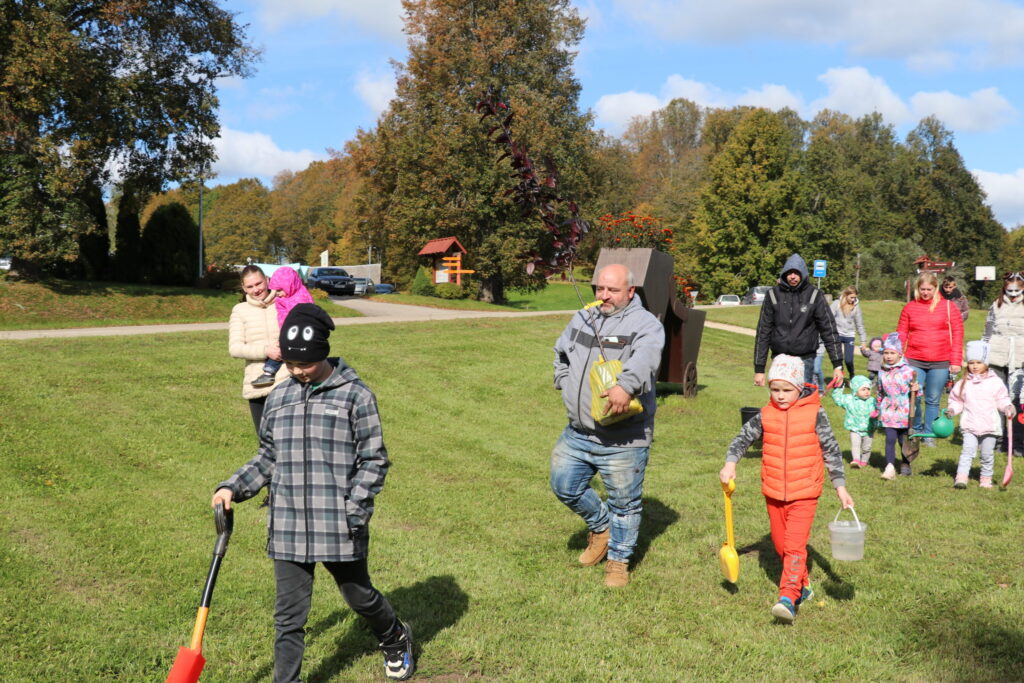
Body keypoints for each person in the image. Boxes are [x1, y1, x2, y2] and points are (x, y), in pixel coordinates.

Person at [212, 304, 415, 682]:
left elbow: (374, 460)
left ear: (323, 353)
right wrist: (232, 487)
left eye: (304, 363)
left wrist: (352, 513)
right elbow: (268, 455)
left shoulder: (355, 396)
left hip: (337, 522)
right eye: (289, 363)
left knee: (359, 597)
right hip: (288, 521)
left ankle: (394, 635)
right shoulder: (279, 396)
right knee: (289, 617)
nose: (297, 370)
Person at [549, 263, 665, 588]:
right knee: (563, 485)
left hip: (624, 439)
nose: (604, 295)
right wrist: (564, 379)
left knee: (625, 504)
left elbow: (647, 356)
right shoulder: (584, 316)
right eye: (600, 288)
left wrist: (626, 386)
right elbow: (560, 352)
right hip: (578, 432)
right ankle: (601, 527)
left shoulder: (645, 325)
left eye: (612, 290)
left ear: (630, 291)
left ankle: (618, 562)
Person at [720, 354, 854, 624]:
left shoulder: (816, 413)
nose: (780, 396)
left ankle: (787, 598)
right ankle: (803, 587)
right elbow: (742, 439)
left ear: (799, 386)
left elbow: (831, 451)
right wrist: (730, 463)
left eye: (786, 390)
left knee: (794, 547)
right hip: (773, 492)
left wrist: (839, 487)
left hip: (805, 492)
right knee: (782, 547)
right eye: (775, 389)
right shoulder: (766, 414)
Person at [753, 253, 844, 388]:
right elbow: (763, 332)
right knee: (781, 400)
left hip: (805, 359)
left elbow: (828, 330)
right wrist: (759, 369)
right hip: (780, 359)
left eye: (796, 272)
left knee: (801, 403)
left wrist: (837, 365)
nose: (793, 276)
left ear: (803, 274)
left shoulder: (814, 295)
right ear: (784, 274)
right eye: (789, 273)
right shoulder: (773, 295)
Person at [896, 272, 964, 444]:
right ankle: (916, 429)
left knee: (933, 399)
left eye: (929, 289)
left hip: (940, 361)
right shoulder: (910, 307)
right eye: (922, 289)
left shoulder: (949, 307)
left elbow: (957, 334)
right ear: (918, 289)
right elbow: (902, 332)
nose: (925, 292)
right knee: (915, 396)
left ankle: (929, 434)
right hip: (914, 359)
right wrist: (896, 353)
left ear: (935, 288)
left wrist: (956, 361)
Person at [229, 265, 290, 436]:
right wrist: (265, 351)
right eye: (250, 286)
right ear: (243, 288)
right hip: (257, 384)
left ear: (268, 281)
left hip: (287, 380)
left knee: (290, 440)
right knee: (265, 443)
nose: (256, 290)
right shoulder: (240, 311)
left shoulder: (283, 302)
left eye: (259, 283)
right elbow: (235, 348)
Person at [947, 341, 1015, 489]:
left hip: (989, 425)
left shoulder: (995, 382)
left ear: (986, 363)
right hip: (970, 424)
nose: (975, 366)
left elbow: (1001, 399)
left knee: (987, 455)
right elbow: (957, 400)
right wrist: (952, 410)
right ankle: (961, 478)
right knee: (967, 452)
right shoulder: (964, 383)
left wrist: (1008, 407)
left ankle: (985, 479)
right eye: (971, 363)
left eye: (979, 362)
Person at [981, 272, 1024, 457]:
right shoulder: (996, 305)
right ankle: (997, 440)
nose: (1013, 294)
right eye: (1009, 290)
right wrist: (982, 355)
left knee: (1017, 401)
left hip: (1020, 357)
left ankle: (1016, 442)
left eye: (1017, 290)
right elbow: (987, 331)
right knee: (998, 399)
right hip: (997, 356)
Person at [252, 266, 315, 387]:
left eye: (280, 290)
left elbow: (303, 317)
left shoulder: (300, 298)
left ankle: (269, 372)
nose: (278, 294)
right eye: (275, 290)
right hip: (289, 331)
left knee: (282, 349)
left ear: (290, 285)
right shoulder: (287, 296)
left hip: (298, 333)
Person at [875, 333, 920, 480]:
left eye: (892, 353)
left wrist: (916, 389)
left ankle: (906, 464)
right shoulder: (882, 372)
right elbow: (880, 392)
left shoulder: (908, 371)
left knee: (903, 440)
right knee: (889, 438)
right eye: (886, 353)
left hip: (904, 411)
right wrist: (877, 408)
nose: (888, 356)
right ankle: (889, 467)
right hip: (888, 410)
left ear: (899, 354)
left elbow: (918, 394)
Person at [830, 375, 876, 469]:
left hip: (869, 429)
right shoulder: (849, 400)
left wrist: (877, 413)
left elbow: (881, 408)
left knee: (867, 448)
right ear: (855, 390)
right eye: (863, 389)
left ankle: (864, 461)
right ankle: (856, 460)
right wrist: (838, 387)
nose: (867, 392)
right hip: (854, 428)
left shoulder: (872, 401)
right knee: (856, 445)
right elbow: (838, 398)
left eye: (868, 389)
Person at [830, 286, 868, 376]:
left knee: (848, 360)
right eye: (851, 297)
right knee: (838, 361)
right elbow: (828, 318)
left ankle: (852, 375)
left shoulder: (856, 307)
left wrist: (863, 341)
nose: (853, 299)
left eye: (855, 297)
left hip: (849, 335)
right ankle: (840, 380)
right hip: (837, 334)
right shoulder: (836, 304)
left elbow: (860, 324)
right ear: (846, 295)